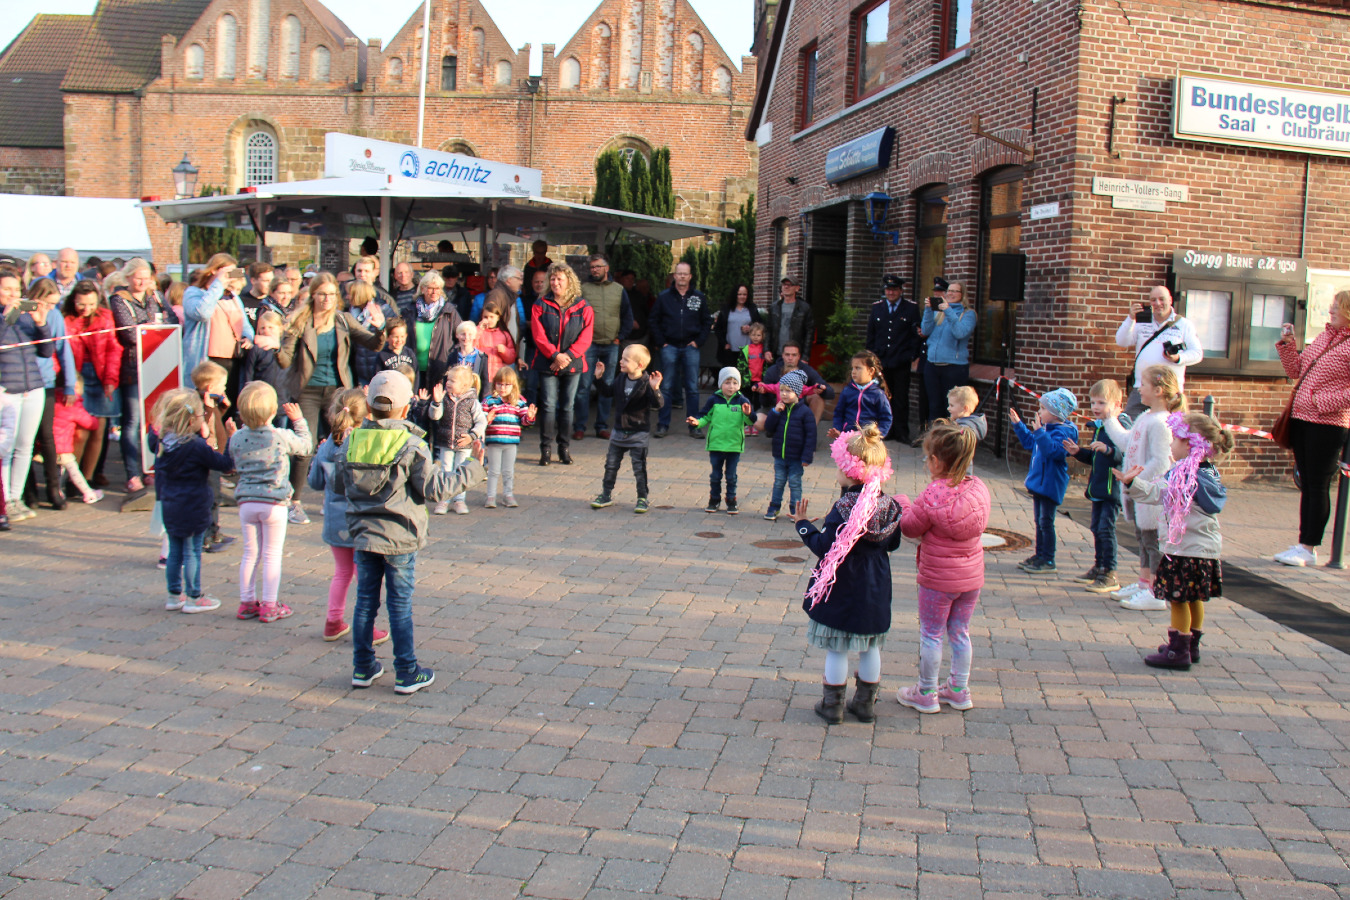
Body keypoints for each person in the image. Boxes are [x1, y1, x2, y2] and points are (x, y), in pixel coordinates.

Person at [333, 369, 486, 695]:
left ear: (368, 407)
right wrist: (472, 468)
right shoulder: (411, 444)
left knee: (364, 603)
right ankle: (406, 671)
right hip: (400, 537)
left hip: (363, 536)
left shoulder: (352, 441)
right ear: (405, 408)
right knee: (399, 606)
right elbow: (435, 489)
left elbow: (337, 484)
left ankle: (362, 667)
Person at [795, 425, 904, 724]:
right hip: (875, 587)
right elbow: (893, 543)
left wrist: (803, 525)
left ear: (848, 470)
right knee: (870, 646)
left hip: (843, 587)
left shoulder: (844, 507)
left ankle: (832, 706)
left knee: (837, 648)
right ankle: (865, 704)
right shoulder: (889, 505)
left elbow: (824, 547)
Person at [1116, 412, 1233, 670]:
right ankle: (1191, 646)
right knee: (1194, 598)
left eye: (1176, 439)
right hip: (1204, 551)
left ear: (1191, 444)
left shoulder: (1185, 475)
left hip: (1185, 550)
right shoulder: (1208, 472)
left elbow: (1158, 493)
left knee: (1178, 599)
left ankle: (1178, 651)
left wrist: (1132, 484)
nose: (1171, 444)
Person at [896, 420, 990, 714]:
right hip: (971, 578)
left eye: (927, 458)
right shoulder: (979, 489)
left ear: (936, 461)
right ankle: (959, 689)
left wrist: (903, 503)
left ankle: (926, 692)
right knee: (960, 632)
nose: (926, 463)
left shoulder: (932, 495)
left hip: (937, 580)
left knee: (932, 634)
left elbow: (910, 527)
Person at [1273, 290, 1350, 567]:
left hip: (1327, 424)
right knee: (1306, 482)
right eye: (1332, 305)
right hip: (1302, 418)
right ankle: (1303, 542)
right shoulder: (1324, 337)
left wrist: (1321, 402)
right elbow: (1296, 371)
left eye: (1337, 306)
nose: (1331, 310)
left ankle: (1309, 547)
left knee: (1317, 484)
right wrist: (1288, 345)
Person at [307, 388, 390, 644]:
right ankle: (367, 628)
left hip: (334, 521)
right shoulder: (365, 445)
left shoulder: (326, 447)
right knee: (365, 578)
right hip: (360, 521)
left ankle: (333, 622)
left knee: (342, 572)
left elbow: (315, 482)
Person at [229, 382, 313, 622]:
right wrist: (299, 421)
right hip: (274, 503)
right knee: (272, 555)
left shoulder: (237, 437)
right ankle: (269, 604)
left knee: (250, 554)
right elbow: (305, 447)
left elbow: (232, 457)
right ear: (272, 410)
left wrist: (232, 432)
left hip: (247, 503)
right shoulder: (279, 436)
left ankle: (247, 602)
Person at [278, 271, 387, 447]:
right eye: (322, 294)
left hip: (337, 391)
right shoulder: (300, 321)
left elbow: (374, 344)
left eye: (331, 294)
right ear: (313, 295)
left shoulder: (343, 320)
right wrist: (276, 347)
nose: (327, 299)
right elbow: (285, 361)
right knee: (306, 444)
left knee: (341, 442)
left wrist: (380, 328)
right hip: (308, 390)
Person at [152, 388, 235, 615]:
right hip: (194, 506)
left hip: (170, 505)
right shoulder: (196, 447)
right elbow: (225, 464)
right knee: (192, 553)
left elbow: (153, 436)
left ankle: (173, 595)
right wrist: (229, 438)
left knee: (175, 552)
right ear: (191, 420)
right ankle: (194, 596)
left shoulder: (161, 443)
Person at [1114, 364, 1184, 611]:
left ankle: (1156, 590)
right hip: (1140, 491)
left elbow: (1161, 461)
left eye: (1143, 384)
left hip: (1152, 494)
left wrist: (1137, 481)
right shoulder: (1145, 417)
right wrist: (1109, 419)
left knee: (1153, 542)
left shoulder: (1161, 423)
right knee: (1142, 538)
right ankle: (1145, 582)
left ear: (1158, 390)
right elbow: (1127, 442)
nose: (1138, 389)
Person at [109, 257, 179, 495]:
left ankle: (152, 468)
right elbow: (130, 333)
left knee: (155, 419)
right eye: (138, 278)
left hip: (159, 366)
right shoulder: (119, 300)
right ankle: (132, 473)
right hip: (133, 367)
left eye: (146, 278)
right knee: (132, 421)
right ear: (128, 277)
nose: (142, 282)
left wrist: (152, 327)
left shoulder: (156, 296)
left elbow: (172, 320)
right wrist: (154, 326)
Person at [240, 310, 309, 524]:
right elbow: (248, 376)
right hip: (261, 406)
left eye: (270, 327)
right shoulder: (256, 351)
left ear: (280, 329)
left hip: (283, 404)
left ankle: (283, 488)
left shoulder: (285, 351)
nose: (266, 331)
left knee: (283, 449)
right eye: (262, 328)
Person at [1063, 379, 1131, 594]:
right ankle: (1099, 566)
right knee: (1096, 528)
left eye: (1101, 403)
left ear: (1118, 404)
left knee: (1106, 529)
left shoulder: (1121, 426)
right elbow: (1095, 457)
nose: (1095, 407)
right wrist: (1078, 452)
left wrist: (1108, 450)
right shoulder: (1100, 426)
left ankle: (1110, 572)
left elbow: (1125, 454)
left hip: (1113, 489)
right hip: (1098, 487)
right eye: (1093, 402)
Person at [0, 267, 54, 521]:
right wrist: (6, 317)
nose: (13, 294)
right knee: (6, 447)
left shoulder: (25, 317)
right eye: (6, 289)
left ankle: (16, 497)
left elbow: (46, 352)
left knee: (25, 446)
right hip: (6, 390)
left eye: (16, 289)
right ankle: (4, 501)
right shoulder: (7, 317)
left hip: (32, 386)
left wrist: (41, 323)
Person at [529, 262, 594, 466]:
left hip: (572, 364)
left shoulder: (583, 306)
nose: (555, 282)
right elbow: (538, 335)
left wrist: (567, 356)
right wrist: (555, 355)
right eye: (553, 279)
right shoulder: (540, 304)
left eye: (560, 279)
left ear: (569, 281)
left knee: (567, 407)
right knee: (548, 406)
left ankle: (564, 448)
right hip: (547, 362)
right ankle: (546, 449)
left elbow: (586, 336)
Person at [21, 279, 77, 511]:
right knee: (24, 439)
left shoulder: (54, 316)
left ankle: (54, 489)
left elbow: (63, 349)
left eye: (55, 304)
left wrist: (70, 384)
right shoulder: (20, 313)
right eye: (49, 303)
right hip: (22, 381)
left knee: (47, 435)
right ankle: (29, 491)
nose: (52, 308)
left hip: (45, 381)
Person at [1008, 387, 1078, 574]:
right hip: (1039, 483)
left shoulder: (1064, 432)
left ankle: (1048, 559)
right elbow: (1030, 443)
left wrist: (1039, 431)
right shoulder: (1046, 429)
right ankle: (1040, 555)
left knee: (1046, 522)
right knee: (1039, 522)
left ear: (1056, 413)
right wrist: (1018, 425)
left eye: (1044, 408)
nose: (1039, 411)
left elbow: (1052, 451)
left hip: (1050, 483)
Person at [590, 345, 664, 514]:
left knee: (639, 468)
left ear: (639, 365)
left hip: (638, 432)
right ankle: (606, 494)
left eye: (625, 359)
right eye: (622, 358)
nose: (621, 362)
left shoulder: (646, 382)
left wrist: (655, 389)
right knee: (611, 465)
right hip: (619, 431)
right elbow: (608, 392)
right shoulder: (621, 378)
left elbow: (658, 404)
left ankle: (642, 498)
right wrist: (599, 378)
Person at [1115, 285, 1204, 419]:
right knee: (1129, 425)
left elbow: (1197, 353)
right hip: (1142, 388)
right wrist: (1130, 319)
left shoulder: (1184, 324)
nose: (1157, 303)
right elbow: (1121, 341)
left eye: (1162, 299)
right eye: (1153, 300)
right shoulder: (1141, 321)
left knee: (1171, 428)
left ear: (1170, 300)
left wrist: (1178, 358)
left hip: (1170, 392)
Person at [63, 281, 119, 486]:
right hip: (77, 377)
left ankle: (87, 477)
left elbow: (113, 348)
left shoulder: (105, 316)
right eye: (81, 304)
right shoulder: (66, 319)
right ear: (73, 301)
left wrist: (110, 379)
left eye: (91, 304)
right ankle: (72, 479)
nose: (86, 309)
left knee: (99, 429)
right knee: (80, 431)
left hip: (101, 375)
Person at [575, 254, 634, 441]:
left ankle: (601, 426)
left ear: (606, 268)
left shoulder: (618, 289)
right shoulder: (583, 289)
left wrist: (620, 337)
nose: (594, 270)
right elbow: (575, 315)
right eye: (592, 267)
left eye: (598, 267)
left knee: (607, 387)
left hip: (611, 344)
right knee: (583, 386)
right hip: (588, 344)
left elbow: (627, 315)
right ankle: (579, 426)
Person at [651, 262, 712, 438]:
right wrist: (661, 341)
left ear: (690, 276)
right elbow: (653, 320)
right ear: (675, 276)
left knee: (692, 388)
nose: (682, 276)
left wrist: (699, 341)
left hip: (691, 347)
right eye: (679, 273)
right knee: (666, 387)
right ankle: (663, 425)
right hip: (669, 346)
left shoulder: (699, 297)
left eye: (686, 274)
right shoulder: (664, 297)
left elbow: (707, 321)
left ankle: (694, 426)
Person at [687, 367, 753, 514]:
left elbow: (750, 421)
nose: (731, 386)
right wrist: (697, 422)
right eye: (727, 382)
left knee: (731, 476)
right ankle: (714, 500)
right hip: (716, 445)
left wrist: (748, 414)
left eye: (735, 383)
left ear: (739, 385)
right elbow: (705, 416)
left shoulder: (742, 400)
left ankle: (731, 501)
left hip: (734, 445)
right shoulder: (714, 400)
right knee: (715, 476)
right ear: (720, 384)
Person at [866, 275, 923, 443]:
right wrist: (871, 356)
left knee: (901, 398)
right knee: (883, 397)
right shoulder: (877, 308)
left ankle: (901, 431)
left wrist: (912, 355)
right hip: (881, 360)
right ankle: (885, 430)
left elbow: (915, 335)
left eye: (894, 290)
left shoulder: (911, 308)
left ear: (900, 291)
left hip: (901, 360)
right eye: (888, 290)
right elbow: (871, 334)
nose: (891, 293)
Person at [429, 364, 487, 515]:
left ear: (464, 385)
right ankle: (444, 500)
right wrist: (436, 403)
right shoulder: (444, 398)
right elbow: (435, 416)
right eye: (447, 380)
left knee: (461, 470)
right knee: (445, 470)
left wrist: (472, 436)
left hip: (464, 444)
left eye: (452, 381)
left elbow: (482, 421)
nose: (448, 383)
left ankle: (459, 500)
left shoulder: (472, 401)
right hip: (446, 442)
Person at [920, 280, 976, 429]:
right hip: (932, 365)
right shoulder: (939, 312)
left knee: (952, 408)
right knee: (934, 406)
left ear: (962, 294)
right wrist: (928, 310)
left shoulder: (968, 314)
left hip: (954, 367)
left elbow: (960, 333)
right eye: (949, 291)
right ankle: (934, 437)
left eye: (955, 291)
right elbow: (925, 330)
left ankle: (951, 437)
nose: (950, 294)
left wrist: (949, 311)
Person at [762, 370, 816, 521]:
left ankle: (795, 510)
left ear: (797, 392)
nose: (784, 394)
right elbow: (768, 428)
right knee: (779, 482)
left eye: (788, 391)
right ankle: (774, 507)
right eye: (782, 390)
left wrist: (807, 456)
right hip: (780, 455)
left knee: (795, 483)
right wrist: (774, 412)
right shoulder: (779, 409)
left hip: (796, 458)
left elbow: (811, 436)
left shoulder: (805, 412)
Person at [481, 366, 536, 509]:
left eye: (507, 384)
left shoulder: (519, 402)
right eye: (499, 384)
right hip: (494, 441)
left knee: (508, 470)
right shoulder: (489, 401)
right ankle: (491, 496)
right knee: (493, 471)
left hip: (511, 442)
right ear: (495, 384)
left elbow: (524, 421)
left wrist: (529, 417)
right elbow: (481, 420)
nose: (503, 388)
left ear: (513, 386)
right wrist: (487, 418)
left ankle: (508, 494)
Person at [756, 342, 835, 428]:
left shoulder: (807, 370)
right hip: (776, 406)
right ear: (782, 355)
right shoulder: (772, 371)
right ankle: (774, 431)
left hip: (799, 407)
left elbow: (830, 393)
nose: (790, 358)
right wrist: (764, 393)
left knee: (817, 397)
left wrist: (821, 390)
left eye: (794, 355)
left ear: (799, 356)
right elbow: (765, 403)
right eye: (787, 355)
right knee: (758, 420)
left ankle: (810, 429)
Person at [51, 378, 103, 504]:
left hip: (51, 445)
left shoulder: (54, 400)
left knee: (59, 472)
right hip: (63, 447)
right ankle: (88, 493)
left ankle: (58, 491)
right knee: (74, 472)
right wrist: (96, 420)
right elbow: (90, 423)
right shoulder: (73, 405)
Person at [413, 271, 463, 392]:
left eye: (438, 288)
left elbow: (460, 337)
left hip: (439, 368)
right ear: (423, 289)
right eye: (431, 288)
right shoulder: (411, 310)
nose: (434, 291)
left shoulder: (449, 311)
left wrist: (450, 357)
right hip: (415, 369)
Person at [829, 350, 893, 440]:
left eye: (858, 368)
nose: (853, 372)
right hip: (848, 436)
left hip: (868, 439)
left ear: (871, 371)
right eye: (853, 368)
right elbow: (839, 413)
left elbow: (886, 418)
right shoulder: (847, 391)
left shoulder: (878, 394)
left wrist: (878, 434)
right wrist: (838, 429)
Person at [346, 281, 395, 387]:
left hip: (379, 364)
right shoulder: (350, 314)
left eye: (350, 294)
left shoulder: (383, 311)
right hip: (360, 368)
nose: (347, 297)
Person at [716, 283, 764, 370]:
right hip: (730, 350)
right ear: (735, 295)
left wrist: (751, 328)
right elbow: (718, 328)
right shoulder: (726, 309)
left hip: (748, 351)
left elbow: (760, 325)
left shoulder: (752, 309)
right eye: (739, 294)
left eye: (744, 294)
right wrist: (724, 344)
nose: (742, 297)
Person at [766, 276, 815, 361]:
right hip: (777, 354)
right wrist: (766, 350)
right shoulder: (774, 307)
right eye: (784, 284)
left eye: (790, 285)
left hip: (795, 355)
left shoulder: (804, 308)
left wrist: (805, 356)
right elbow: (768, 330)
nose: (786, 287)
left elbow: (809, 334)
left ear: (797, 288)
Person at [736, 322, 771, 425]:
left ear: (763, 336)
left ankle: (756, 422)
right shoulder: (745, 349)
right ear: (749, 335)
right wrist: (741, 379)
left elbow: (767, 365)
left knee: (758, 402)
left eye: (758, 335)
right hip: (748, 381)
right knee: (746, 401)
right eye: (753, 335)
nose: (756, 337)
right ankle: (746, 422)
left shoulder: (764, 350)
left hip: (759, 381)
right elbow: (740, 366)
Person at [475, 306, 516, 384]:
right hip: (480, 375)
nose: (488, 320)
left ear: (498, 318)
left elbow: (511, 359)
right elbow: (471, 347)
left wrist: (504, 351)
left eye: (492, 317)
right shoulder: (477, 332)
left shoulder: (504, 335)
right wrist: (479, 329)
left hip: (498, 376)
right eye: (485, 317)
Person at [447, 321, 488, 399]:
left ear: (475, 336)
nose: (466, 337)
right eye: (463, 334)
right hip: (454, 396)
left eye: (470, 334)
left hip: (473, 396)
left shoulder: (481, 357)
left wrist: (483, 399)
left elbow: (485, 381)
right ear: (457, 335)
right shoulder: (452, 356)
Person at [239, 262, 275, 327]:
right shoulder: (240, 301)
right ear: (253, 281)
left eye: (272, 281)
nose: (270, 284)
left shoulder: (274, 302)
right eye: (266, 281)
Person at [522, 240, 552, 305]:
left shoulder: (550, 265)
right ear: (534, 252)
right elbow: (525, 284)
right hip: (530, 298)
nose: (539, 256)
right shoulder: (528, 266)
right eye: (537, 253)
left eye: (542, 253)